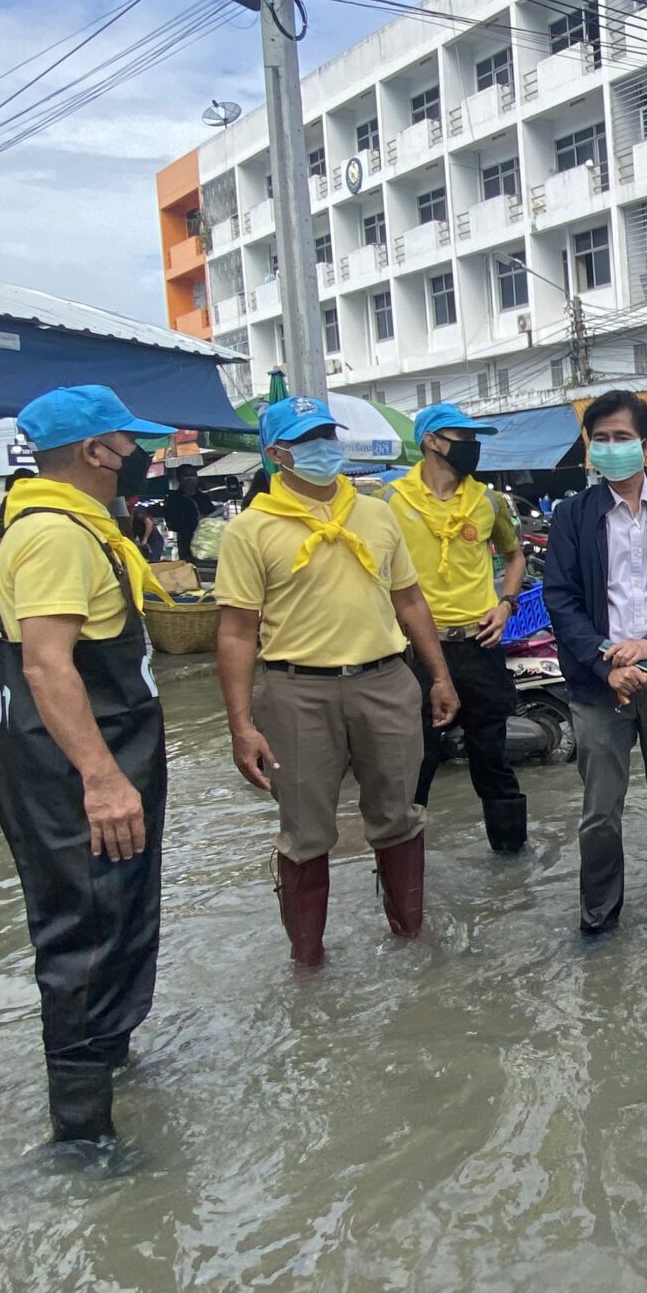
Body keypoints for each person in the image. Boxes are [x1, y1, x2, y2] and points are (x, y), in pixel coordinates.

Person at [0, 385, 174, 1143]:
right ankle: (83, 1133)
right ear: (96, 452)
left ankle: (111, 1061)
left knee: (117, 913)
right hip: (75, 769)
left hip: (110, 753)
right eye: (130, 444)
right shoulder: (56, 535)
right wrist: (101, 778)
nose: (140, 456)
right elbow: (46, 665)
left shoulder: (85, 529)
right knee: (84, 930)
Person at [213, 397, 458, 965]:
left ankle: (409, 938)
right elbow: (236, 633)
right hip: (296, 691)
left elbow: (409, 599)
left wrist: (439, 676)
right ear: (278, 455)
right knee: (305, 830)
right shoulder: (250, 530)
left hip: (385, 680)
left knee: (399, 816)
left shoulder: (376, 514)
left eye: (327, 435)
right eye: (307, 440)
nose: (324, 448)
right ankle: (307, 962)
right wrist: (241, 725)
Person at [540, 392, 647, 932]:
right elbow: (560, 599)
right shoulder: (572, 515)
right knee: (600, 810)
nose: (611, 447)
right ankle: (598, 917)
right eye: (601, 438)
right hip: (599, 685)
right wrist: (606, 663)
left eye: (622, 437)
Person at [388, 402, 530, 853]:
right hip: (414, 652)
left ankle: (511, 862)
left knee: (492, 758)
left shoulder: (488, 501)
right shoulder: (390, 501)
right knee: (415, 763)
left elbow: (515, 556)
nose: (473, 447)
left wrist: (506, 604)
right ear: (431, 441)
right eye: (464, 438)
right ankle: (403, 869)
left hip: (478, 645)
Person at [162, 466, 203, 560]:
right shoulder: (173, 499)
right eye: (187, 475)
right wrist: (193, 521)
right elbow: (171, 523)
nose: (191, 478)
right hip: (186, 542)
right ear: (179, 478)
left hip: (206, 540)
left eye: (193, 475)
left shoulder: (204, 498)